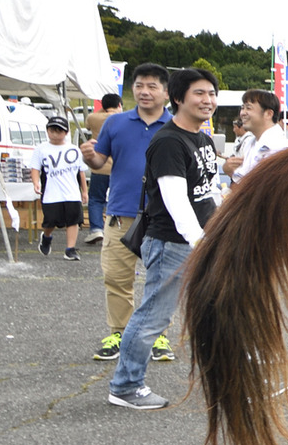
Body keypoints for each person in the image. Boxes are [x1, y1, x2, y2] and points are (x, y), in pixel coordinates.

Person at [108, 68, 221, 410]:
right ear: (178, 98)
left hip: (199, 240)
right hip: (174, 243)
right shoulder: (170, 141)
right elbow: (176, 201)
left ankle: (230, 375)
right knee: (153, 316)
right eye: (199, 93)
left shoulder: (201, 138)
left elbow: (206, 192)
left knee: (218, 308)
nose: (208, 100)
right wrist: (201, 244)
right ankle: (125, 386)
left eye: (212, 94)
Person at [83, 64, 174, 363]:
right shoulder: (115, 123)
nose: (144, 91)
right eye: (138, 85)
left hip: (165, 217)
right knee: (117, 277)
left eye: (151, 86)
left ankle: (156, 334)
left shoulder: (177, 125)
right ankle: (120, 332)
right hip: (121, 213)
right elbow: (100, 162)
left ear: (166, 92)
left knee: (160, 280)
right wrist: (90, 156)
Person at [30, 115, 88, 260]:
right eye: (52, 130)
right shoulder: (41, 149)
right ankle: (47, 236)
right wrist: (36, 182)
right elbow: (35, 168)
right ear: (47, 131)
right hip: (51, 193)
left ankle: (70, 249)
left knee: (73, 220)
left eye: (59, 131)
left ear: (66, 133)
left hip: (72, 193)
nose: (55, 134)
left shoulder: (74, 150)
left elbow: (80, 172)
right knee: (51, 221)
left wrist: (84, 191)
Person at [221, 90, 288, 187]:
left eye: (248, 108)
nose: (242, 113)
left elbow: (260, 189)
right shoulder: (252, 142)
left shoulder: (276, 147)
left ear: (268, 114)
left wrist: (230, 171)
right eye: (242, 108)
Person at [82, 92, 121, 244]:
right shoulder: (122, 119)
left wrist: (104, 109)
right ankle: (117, 232)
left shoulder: (93, 118)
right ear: (119, 105)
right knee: (117, 199)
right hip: (118, 168)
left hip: (99, 166)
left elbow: (87, 124)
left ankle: (96, 230)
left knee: (96, 199)